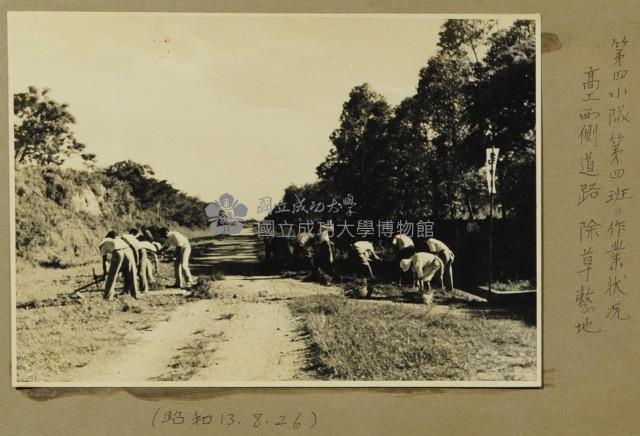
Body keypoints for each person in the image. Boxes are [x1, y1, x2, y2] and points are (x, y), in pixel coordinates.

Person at [99, 231, 139, 300]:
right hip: (128, 250)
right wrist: (136, 261)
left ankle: (107, 297)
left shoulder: (102, 245)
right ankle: (135, 294)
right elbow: (133, 248)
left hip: (118, 251)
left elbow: (104, 261)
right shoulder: (120, 239)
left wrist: (105, 273)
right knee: (132, 273)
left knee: (112, 275)